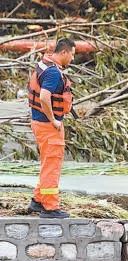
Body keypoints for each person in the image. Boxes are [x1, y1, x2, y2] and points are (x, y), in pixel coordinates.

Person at [27, 37, 75, 219]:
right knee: (52, 165)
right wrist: (54, 120)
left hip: (39, 123)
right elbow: (45, 97)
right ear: (64, 52)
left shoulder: (44, 63)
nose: (72, 59)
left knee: (47, 163)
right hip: (48, 126)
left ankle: (38, 200)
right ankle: (50, 207)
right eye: (72, 55)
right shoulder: (54, 73)